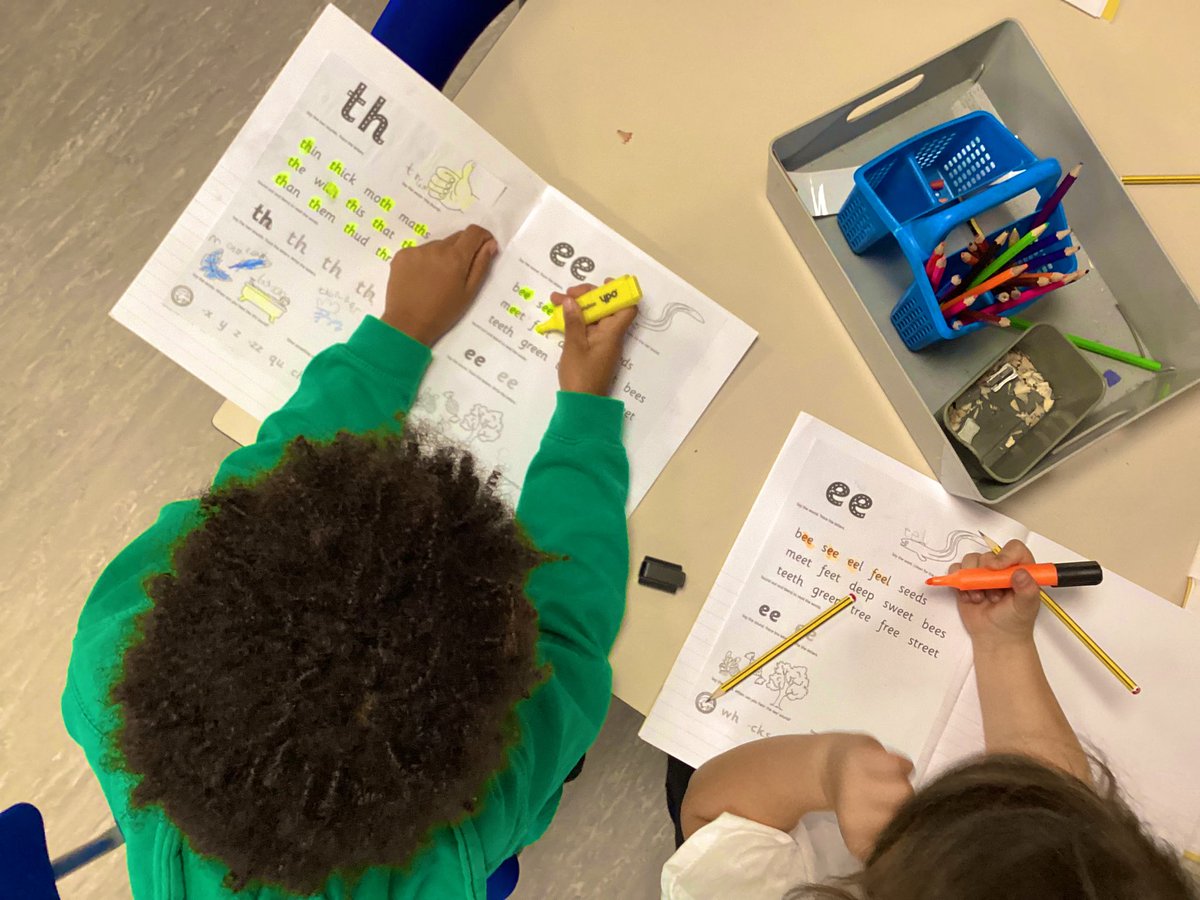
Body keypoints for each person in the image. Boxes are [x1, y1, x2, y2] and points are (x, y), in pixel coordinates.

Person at [62, 225, 638, 898]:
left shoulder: (111, 652)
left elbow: (268, 479)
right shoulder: (467, 831)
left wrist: (398, 331)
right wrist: (585, 420)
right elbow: (568, 634)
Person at [661, 540, 1196, 899]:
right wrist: (1002, 645)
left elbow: (705, 814)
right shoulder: (1075, 865)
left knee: (682, 764)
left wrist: (823, 766)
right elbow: (1050, 819)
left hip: (746, 804)